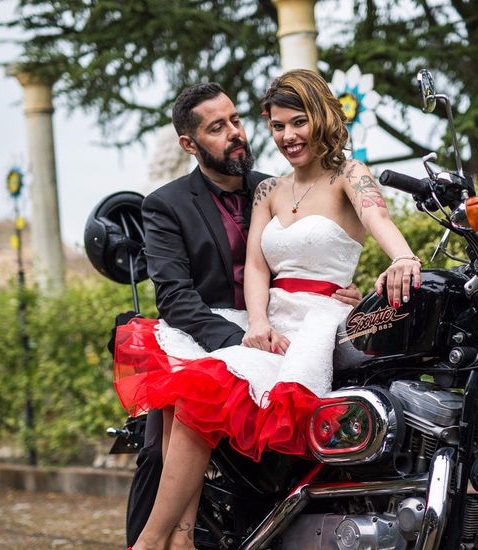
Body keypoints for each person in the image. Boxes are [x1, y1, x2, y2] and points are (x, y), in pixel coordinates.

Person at [116, 69, 421, 550]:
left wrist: (396, 259)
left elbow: (373, 218)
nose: (281, 135)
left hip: (316, 321)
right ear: (189, 143)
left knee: (207, 401)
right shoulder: (228, 196)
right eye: (277, 126)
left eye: (237, 120)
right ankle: (162, 539)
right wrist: (253, 326)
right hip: (237, 327)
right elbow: (222, 280)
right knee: (165, 435)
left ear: (321, 118)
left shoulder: (328, 176)